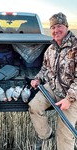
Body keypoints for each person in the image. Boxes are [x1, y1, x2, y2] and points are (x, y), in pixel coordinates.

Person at [28, 12, 77, 150]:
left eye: (59, 26)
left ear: (66, 26)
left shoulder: (75, 47)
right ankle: (46, 135)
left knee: (66, 132)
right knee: (34, 106)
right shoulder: (50, 49)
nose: (56, 30)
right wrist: (37, 78)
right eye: (53, 27)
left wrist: (69, 98)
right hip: (53, 88)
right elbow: (45, 68)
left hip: (71, 94)